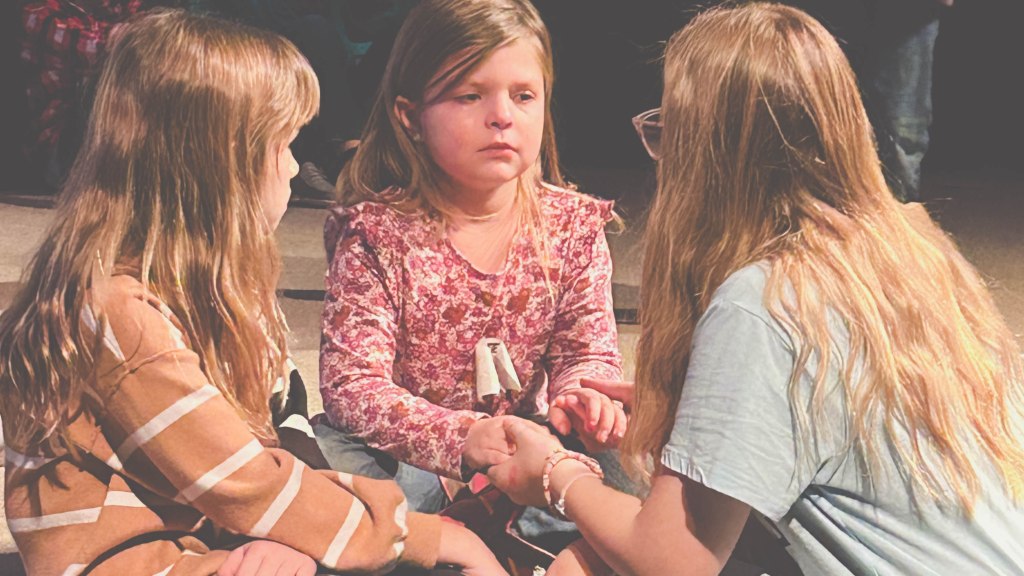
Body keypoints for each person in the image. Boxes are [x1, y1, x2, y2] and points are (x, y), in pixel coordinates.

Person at [486, 3, 1024, 575]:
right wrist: (697, 411)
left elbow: (672, 563)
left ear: (708, 153)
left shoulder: (762, 301)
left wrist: (554, 474)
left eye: (668, 133)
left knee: (582, 564)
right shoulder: (908, 245)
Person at [0, 9, 505, 575]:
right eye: (284, 144)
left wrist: (296, 527)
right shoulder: (118, 314)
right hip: (133, 560)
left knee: (370, 498)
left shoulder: (221, 287)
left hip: (210, 522)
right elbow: (242, 484)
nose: (294, 167)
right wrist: (434, 539)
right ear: (220, 167)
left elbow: (280, 419)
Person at [318, 0, 629, 538]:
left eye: (524, 96)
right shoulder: (375, 232)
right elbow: (352, 385)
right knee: (334, 468)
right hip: (414, 451)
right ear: (410, 117)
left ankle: (505, 532)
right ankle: (452, 537)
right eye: (470, 95)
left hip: (525, 443)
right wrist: (460, 437)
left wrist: (584, 399)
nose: (502, 115)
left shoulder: (572, 225)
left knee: (627, 475)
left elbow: (587, 352)